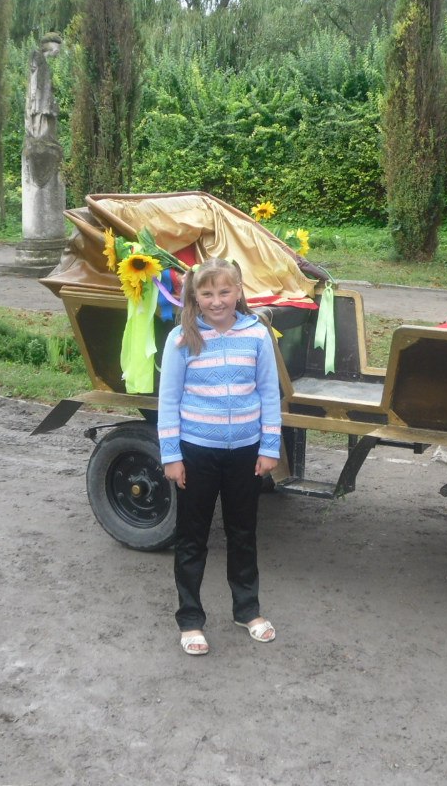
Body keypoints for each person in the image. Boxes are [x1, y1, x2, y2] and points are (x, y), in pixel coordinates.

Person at [156, 258, 281, 656]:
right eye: (207, 293)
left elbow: (269, 392)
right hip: (196, 454)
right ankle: (191, 619)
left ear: (239, 291)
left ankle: (247, 610)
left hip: (245, 453)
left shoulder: (256, 334)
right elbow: (168, 400)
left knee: (243, 533)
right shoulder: (182, 338)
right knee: (192, 537)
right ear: (195, 296)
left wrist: (269, 446)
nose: (217, 301)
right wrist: (172, 455)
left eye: (225, 292)